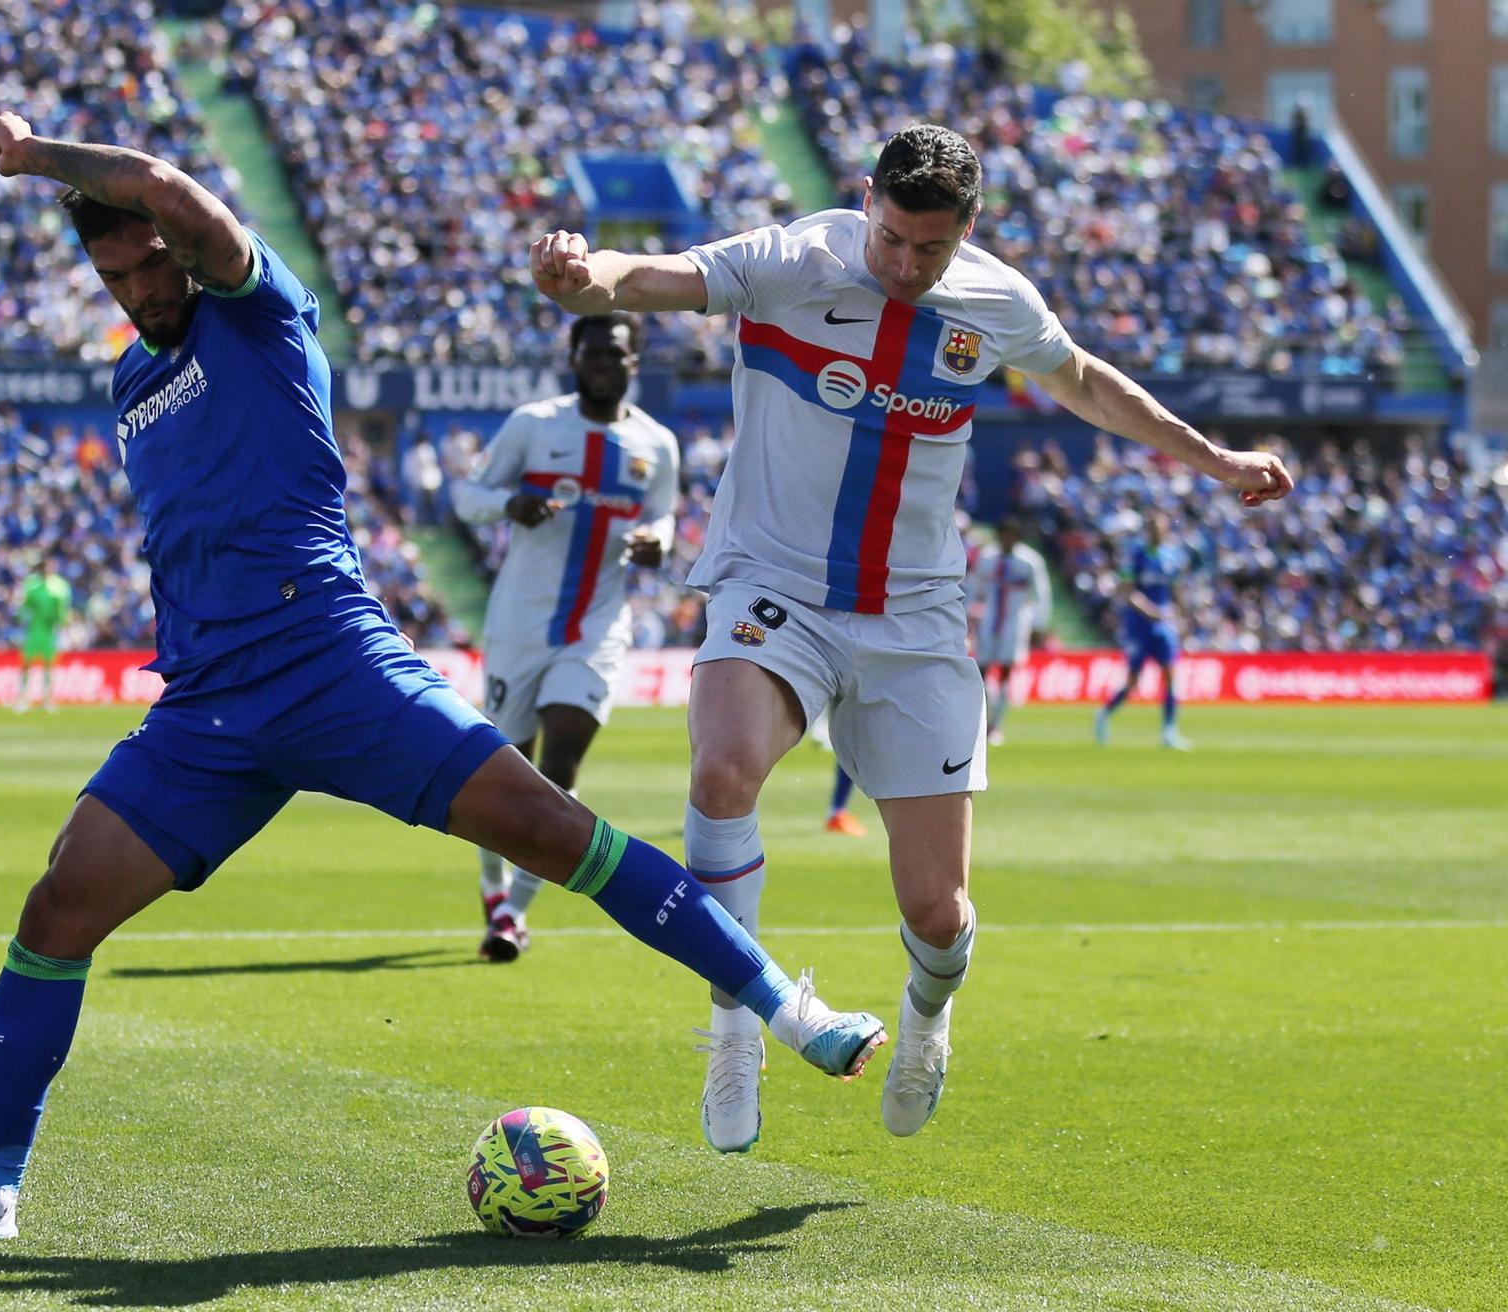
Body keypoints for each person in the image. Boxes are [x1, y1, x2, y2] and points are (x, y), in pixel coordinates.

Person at [0, 112, 887, 1248]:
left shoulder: (254, 309)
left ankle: (787, 1011)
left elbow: (167, 186)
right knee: (56, 908)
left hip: (331, 658)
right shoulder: (128, 379)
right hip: (207, 705)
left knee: (552, 830)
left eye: (148, 263)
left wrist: (40, 158)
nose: (136, 290)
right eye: (112, 274)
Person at [530, 122, 1292, 1153]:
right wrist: (584, 273)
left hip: (915, 617)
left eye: (927, 249)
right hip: (773, 585)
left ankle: (927, 1020)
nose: (902, 264)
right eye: (889, 238)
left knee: (937, 911)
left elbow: (1079, 378)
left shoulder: (995, 302)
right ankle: (734, 1026)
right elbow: (647, 277)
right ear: (864, 203)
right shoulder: (791, 261)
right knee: (721, 772)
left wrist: (1212, 459)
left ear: (966, 231)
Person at [450, 313, 679, 960]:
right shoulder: (535, 425)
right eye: (595, 353)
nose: (606, 363)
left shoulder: (656, 444)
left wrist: (657, 542)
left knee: (559, 769)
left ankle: (514, 916)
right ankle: (493, 887)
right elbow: (467, 496)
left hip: (597, 626)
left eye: (618, 354)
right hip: (520, 624)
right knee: (504, 779)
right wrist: (508, 505)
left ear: (635, 363)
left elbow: (662, 512)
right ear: (574, 358)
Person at [1096, 510, 1189, 749]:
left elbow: (1176, 590)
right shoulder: (1136, 555)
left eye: (1162, 527)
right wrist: (1149, 610)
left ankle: (1169, 731)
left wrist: (1181, 615)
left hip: (1164, 626)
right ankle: (1104, 714)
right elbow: (1128, 590)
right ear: (1148, 530)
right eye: (1154, 528)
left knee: (1170, 676)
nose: (1158, 532)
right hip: (1139, 625)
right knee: (1133, 682)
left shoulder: (1172, 556)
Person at [968, 516, 1052, 745]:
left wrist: (1038, 624)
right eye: (1003, 534)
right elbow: (975, 588)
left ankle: (996, 724)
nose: (1007, 539)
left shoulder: (1029, 562)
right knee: (982, 671)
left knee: (1005, 671)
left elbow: (1041, 594)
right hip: (989, 620)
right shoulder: (988, 558)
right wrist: (969, 614)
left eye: (1011, 535)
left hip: (1014, 623)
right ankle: (982, 722)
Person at [15, 553, 71, 713]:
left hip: (50, 630)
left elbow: (63, 610)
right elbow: (25, 607)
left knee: (49, 665)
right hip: (33, 629)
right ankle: (22, 698)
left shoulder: (60, 585)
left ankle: (47, 698)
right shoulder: (32, 585)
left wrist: (63, 626)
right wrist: (21, 619)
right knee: (26, 663)